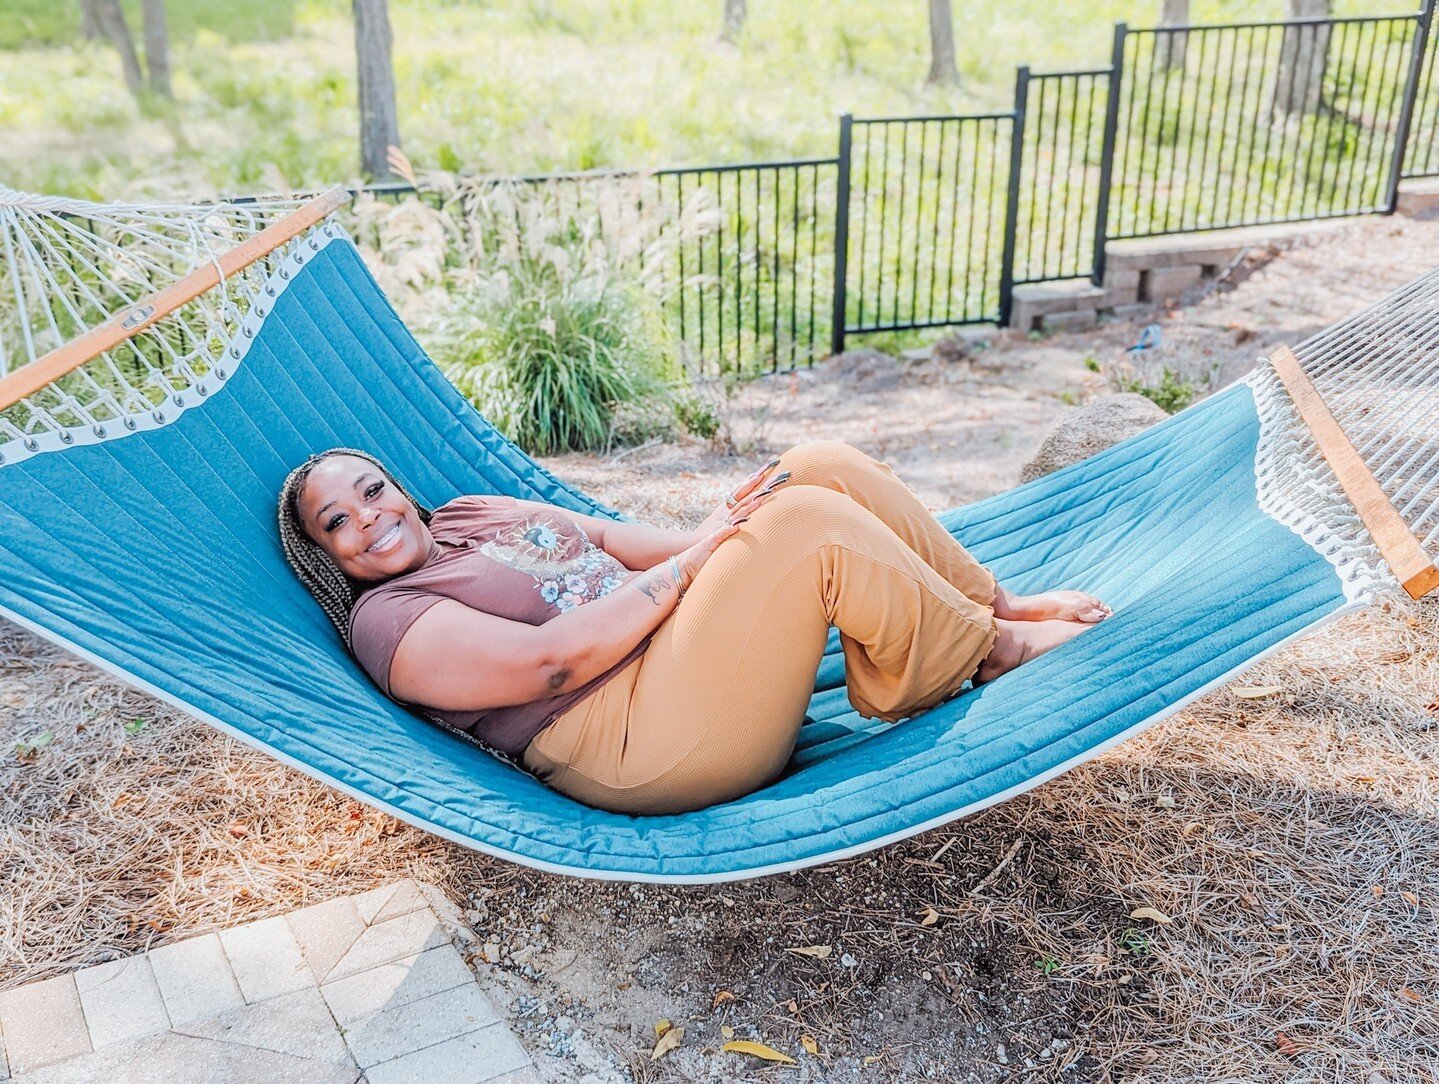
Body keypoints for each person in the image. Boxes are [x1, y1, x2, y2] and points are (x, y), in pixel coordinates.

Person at [277, 440, 1110, 816]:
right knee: (807, 524)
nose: (370, 519)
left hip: (677, 654)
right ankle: (986, 653)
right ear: (327, 557)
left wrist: (729, 521)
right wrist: (703, 563)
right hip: (635, 742)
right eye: (337, 522)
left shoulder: (468, 512)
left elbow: (622, 543)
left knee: (814, 468)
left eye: (372, 490)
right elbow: (551, 665)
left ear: (396, 484)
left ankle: (990, 604)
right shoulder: (388, 621)